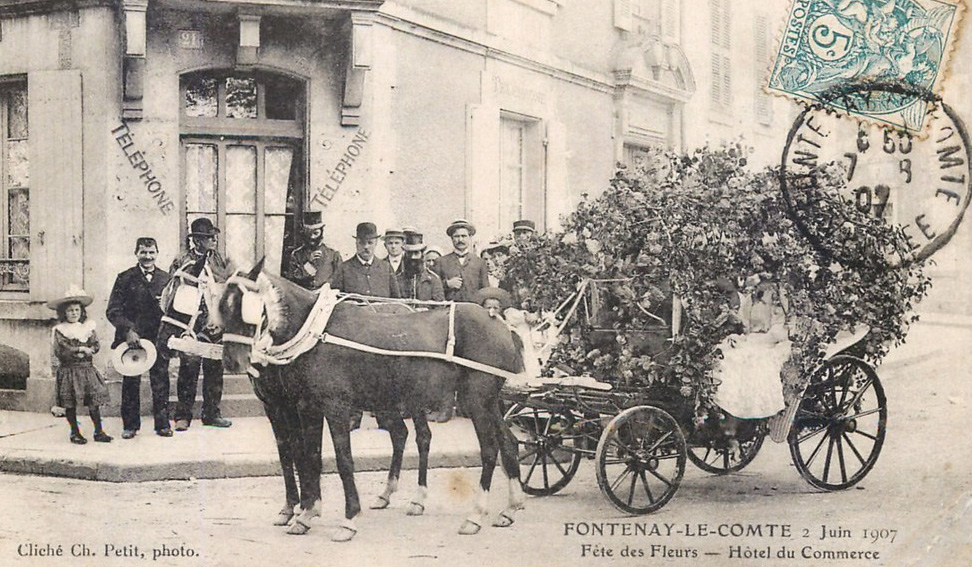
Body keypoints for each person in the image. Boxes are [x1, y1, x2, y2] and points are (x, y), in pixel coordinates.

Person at [169, 218, 234, 431]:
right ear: (197, 240)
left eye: (214, 237)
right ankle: (183, 415)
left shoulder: (221, 260)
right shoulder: (183, 261)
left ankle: (212, 413)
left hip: (216, 322)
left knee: (215, 369)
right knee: (189, 368)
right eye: (208, 237)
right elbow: (175, 291)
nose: (213, 240)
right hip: (192, 323)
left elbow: (231, 287)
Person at [106, 237, 172, 439]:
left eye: (151, 252)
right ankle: (130, 425)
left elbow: (172, 312)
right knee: (131, 382)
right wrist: (128, 331)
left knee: (160, 380)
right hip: (132, 339)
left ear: (157, 253)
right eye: (143, 252)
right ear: (136, 253)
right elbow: (113, 311)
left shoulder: (166, 279)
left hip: (158, 339)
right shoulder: (125, 278)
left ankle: (162, 424)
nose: (147, 256)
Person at [47, 285, 113, 445]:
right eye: (70, 311)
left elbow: (95, 344)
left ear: (82, 311)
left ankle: (98, 431)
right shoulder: (60, 330)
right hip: (70, 370)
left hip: (87, 369)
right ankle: (75, 432)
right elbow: (61, 349)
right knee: (70, 403)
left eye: (77, 310)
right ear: (64, 313)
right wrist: (78, 349)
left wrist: (91, 349)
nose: (74, 313)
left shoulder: (88, 327)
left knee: (93, 402)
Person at [331, 222, 401, 299]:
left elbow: (397, 301)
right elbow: (335, 300)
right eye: (362, 243)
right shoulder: (344, 269)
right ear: (356, 243)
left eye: (370, 243)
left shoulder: (386, 268)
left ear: (376, 243)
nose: (366, 247)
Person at [287, 210, 342, 290]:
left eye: (315, 233)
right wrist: (309, 264)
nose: (312, 237)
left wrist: (327, 285)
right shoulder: (297, 255)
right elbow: (291, 281)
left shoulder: (333, 253)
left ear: (321, 232)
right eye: (308, 233)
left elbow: (339, 277)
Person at [436, 219, 489, 302]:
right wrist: (447, 284)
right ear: (451, 238)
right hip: (449, 310)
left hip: (473, 309)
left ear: (470, 237)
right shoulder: (441, 262)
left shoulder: (479, 262)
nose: (460, 240)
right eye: (456, 236)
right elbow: (433, 290)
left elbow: (486, 290)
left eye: (464, 236)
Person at [400, 231, 445, 302]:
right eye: (409, 253)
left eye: (416, 253)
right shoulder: (398, 279)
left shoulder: (433, 279)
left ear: (422, 256)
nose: (413, 257)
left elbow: (439, 308)